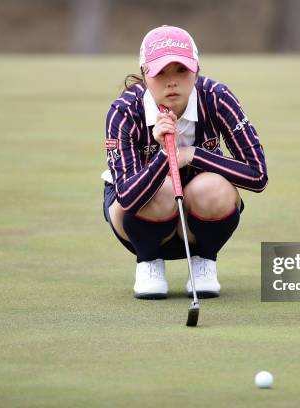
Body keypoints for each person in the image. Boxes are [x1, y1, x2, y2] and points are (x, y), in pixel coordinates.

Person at [102, 25, 268, 300]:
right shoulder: (124, 111)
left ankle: (204, 260)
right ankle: (148, 263)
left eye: (181, 70)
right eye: (160, 72)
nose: (171, 82)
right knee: (162, 190)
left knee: (212, 187)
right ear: (145, 74)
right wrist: (162, 157)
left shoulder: (216, 98)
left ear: (196, 70)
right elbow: (128, 198)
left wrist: (192, 154)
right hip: (138, 221)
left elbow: (258, 175)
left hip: (201, 215)